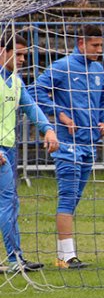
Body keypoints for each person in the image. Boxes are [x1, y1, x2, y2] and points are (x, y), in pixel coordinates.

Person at [34, 24, 104, 270]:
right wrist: (61, 116)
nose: (99, 50)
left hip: (90, 144)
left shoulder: (99, 69)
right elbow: (35, 90)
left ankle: (62, 253)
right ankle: (67, 257)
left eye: (101, 46)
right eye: (94, 46)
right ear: (81, 43)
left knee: (75, 198)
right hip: (67, 144)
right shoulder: (62, 66)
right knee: (68, 196)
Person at [0, 33, 59, 273]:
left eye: (25, 54)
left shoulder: (16, 81)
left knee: (11, 203)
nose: (24, 59)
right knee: (7, 203)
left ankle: (16, 258)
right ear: (2, 50)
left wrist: (48, 130)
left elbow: (31, 107)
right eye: (19, 53)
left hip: (9, 149)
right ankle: (15, 260)